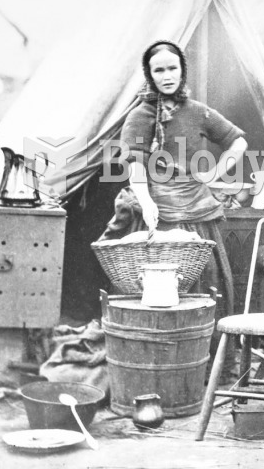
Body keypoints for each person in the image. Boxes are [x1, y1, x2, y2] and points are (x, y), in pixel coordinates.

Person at [99, 41, 248, 377]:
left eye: (172, 68)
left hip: (196, 214)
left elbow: (238, 141)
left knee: (210, 286)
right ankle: (163, 368)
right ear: (150, 75)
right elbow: (135, 166)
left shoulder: (197, 111)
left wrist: (213, 173)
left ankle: (209, 368)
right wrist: (147, 201)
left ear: (182, 70)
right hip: (158, 217)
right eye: (159, 70)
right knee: (159, 293)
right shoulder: (139, 116)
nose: (167, 76)